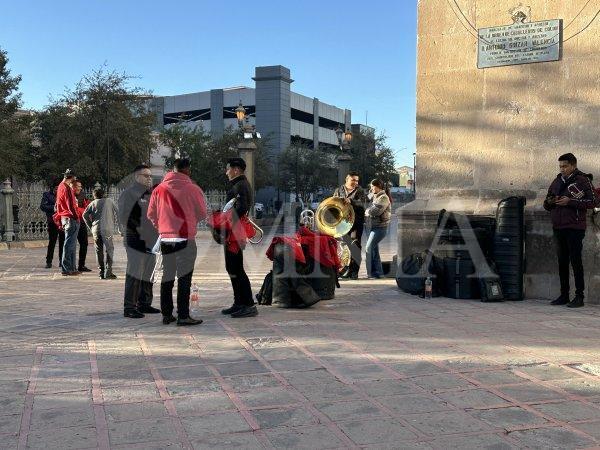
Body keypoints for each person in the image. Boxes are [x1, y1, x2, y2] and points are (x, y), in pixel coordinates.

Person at [147, 158, 207, 326]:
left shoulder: (159, 189)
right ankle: (183, 315)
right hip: (185, 239)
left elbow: (151, 214)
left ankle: (167, 314)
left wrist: (161, 227)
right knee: (184, 278)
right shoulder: (193, 189)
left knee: (167, 277)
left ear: (172, 170)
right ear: (187, 170)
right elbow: (202, 212)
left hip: (166, 239)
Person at [543, 153, 597, 308]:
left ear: (573, 165)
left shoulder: (583, 180)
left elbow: (594, 201)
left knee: (576, 261)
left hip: (575, 227)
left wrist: (570, 201)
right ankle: (564, 295)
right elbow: (547, 204)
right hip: (558, 227)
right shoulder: (557, 180)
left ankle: (579, 296)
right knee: (562, 262)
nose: (562, 169)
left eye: (565, 166)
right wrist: (550, 201)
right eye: (560, 166)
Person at [118, 164, 160, 318]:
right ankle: (130, 307)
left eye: (150, 176)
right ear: (137, 176)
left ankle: (145, 303)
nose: (149, 178)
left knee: (149, 274)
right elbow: (124, 217)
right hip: (135, 240)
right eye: (146, 176)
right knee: (135, 274)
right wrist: (140, 229)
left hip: (151, 241)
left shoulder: (150, 194)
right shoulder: (128, 194)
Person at [221, 157, 258, 318]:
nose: (226, 171)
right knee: (232, 268)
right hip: (232, 231)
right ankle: (239, 302)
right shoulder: (238, 184)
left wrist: (224, 219)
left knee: (236, 268)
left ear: (236, 170)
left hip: (235, 232)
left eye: (228, 168)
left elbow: (241, 208)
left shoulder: (241, 185)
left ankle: (248, 304)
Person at [332, 171, 367, 279]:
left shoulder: (360, 191)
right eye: (353, 180)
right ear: (347, 179)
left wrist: (351, 201)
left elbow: (363, 205)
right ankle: (345, 270)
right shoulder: (338, 190)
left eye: (357, 180)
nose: (355, 182)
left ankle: (354, 272)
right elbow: (333, 204)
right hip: (343, 223)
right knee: (345, 248)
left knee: (355, 246)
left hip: (356, 223)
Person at [83, 188, 119, 280]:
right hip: (107, 229)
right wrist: (119, 227)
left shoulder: (92, 203)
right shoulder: (110, 201)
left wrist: (91, 226)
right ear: (104, 194)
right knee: (109, 250)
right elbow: (118, 212)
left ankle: (101, 272)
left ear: (94, 195)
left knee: (98, 251)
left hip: (96, 230)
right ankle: (108, 272)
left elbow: (84, 215)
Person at [55, 169, 80, 276]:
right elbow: (70, 205)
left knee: (70, 243)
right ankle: (67, 268)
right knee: (70, 244)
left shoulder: (60, 186)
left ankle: (72, 268)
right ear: (72, 177)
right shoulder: (67, 188)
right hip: (71, 217)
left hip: (64, 217)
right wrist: (76, 217)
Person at [364, 179, 392, 279]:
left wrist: (368, 211)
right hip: (372, 226)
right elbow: (364, 204)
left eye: (372, 186)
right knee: (374, 250)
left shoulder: (384, 198)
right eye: (371, 187)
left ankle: (371, 272)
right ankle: (378, 273)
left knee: (368, 248)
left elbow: (375, 212)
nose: (371, 188)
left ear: (378, 186)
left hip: (380, 228)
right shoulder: (375, 196)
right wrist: (369, 198)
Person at [40, 180, 64, 269]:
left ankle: (62, 261)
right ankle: (49, 261)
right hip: (52, 221)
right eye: (57, 188)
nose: (58, 190)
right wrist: (54, 208)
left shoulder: (63, 195)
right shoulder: (47, 195)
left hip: (62, 221)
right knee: (52, 242)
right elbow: (42, 206)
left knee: (62, 242)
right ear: (53, 188)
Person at [73, 180, 91, 272]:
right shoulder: (69, 195)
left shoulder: (83, 195)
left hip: (82, 222)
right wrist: (81, 210)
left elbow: (86, 205)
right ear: (73, 187)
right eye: (78, 186)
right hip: (72, 222)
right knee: (71, 244)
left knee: (84, 243)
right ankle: (70, 265)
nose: (80, 188)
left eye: (80, 186)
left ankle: (81, 265)